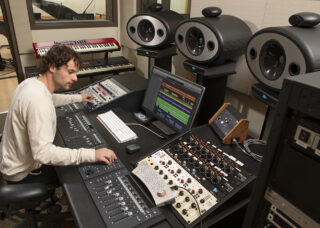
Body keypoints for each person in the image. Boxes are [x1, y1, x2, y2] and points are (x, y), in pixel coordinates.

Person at [0, 45, 117, 186]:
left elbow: (51, 98)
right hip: (21, 173)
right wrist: (92, 154)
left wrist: (79, 97)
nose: (75, 78)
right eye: (70, 72)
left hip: (10, 162)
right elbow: (43, 154)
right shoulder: (38, 100)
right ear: (52, 67)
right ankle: (62, 203)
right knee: (81, 172)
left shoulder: (30, 84)